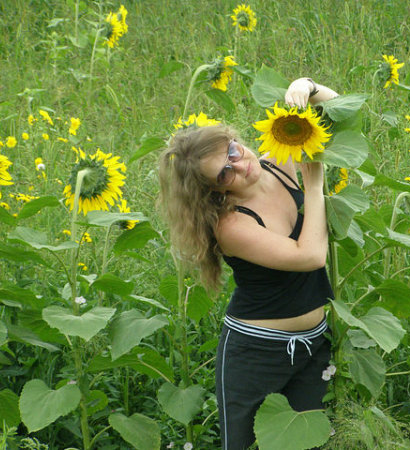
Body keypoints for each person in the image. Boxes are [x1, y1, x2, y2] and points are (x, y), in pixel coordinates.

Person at [158, 77, 339, 449]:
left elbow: (340, 113)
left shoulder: (279, 164)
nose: (239, 166)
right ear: (214, 190)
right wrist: (314, 186)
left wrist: (306, 87)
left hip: (314, 345)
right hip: (257, 353)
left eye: (233, 151)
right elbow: (310, 256)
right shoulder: (231, 225)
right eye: (224, 173)